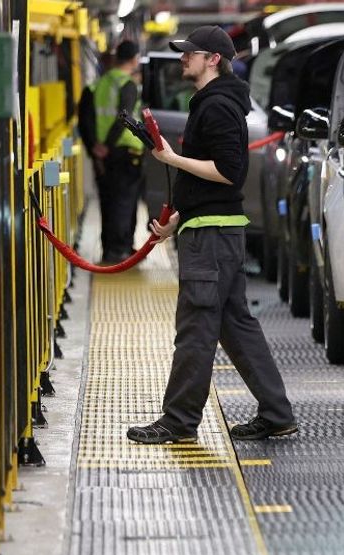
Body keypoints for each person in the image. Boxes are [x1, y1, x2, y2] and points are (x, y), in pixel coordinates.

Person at [126, 26, 297, 445]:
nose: (184, 59)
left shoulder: (217, 107)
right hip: (214, 229)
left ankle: (178, 421)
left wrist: (171, 158)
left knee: (196, 327)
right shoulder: (213, 103)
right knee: (234, 324)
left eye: (191, 53)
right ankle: (276, 413)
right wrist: (176, 220)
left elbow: (227, 171)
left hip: (212, 238)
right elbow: (210, 185)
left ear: (213, 59)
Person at [90, 40, 144, 264]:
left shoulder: (101, 82)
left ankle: (111, 247)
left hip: (105, 152)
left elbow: (93, 116)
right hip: (124, 149)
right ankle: (119, 250)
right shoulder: (127, 84)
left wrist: (98, 145)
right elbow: (124, 119)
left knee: (110, 201)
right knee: (125, 202)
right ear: (134, 59)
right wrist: (108, 145)